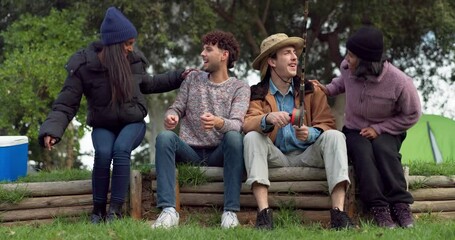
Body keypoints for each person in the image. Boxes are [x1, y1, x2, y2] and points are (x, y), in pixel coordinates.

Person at [38, 7, 188, 224]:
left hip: (132, 122)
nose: (131, 48)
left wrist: (179, 76)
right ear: (115, 45)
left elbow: (151, 83)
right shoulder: (83, 66)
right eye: (127, 44)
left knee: (120, 150)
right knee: (103, 152)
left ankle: (115, 212)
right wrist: (52, 130)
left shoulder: (133, 62)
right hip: (103, 124)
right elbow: (65, 103)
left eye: (132, 43)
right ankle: (97, 212)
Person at [311, 25, 421, 228]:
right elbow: (342, 83)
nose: (347, 59)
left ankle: (400, 204)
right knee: (363, 154)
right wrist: (327, 89)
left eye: (352, 56)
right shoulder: (348, 68)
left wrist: (379, 129)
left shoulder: (399, 82)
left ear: (367, 61)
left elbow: (413, 113)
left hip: (388, 129)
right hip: (354, 129)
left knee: (383, 150)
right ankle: (378, 207)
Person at [243, 33, 355, 230]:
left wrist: (311, 133)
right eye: (287, 53)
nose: (295, 57)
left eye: (295, 53)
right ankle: (264, 215)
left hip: (308, 155)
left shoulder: (312, 89)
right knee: (252, 136)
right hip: (275, 157)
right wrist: (267, 119)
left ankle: (338, 214)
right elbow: (247, 123)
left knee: (336, 136)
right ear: (271, 61)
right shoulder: (257, 92)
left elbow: (328, 123)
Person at [151, 30, 250, 229]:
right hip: (190, 152)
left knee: (234, 137)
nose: (202, 54)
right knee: (164, 138)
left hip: (218, 153)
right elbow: (177, 106)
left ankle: (230, 213)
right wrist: (173, 115)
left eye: (208, 49)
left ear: (224, 55)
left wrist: (218, 122)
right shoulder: (192, 79)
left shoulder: (240, 87)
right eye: (203, 49)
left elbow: (237, 124)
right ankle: (168, 211)